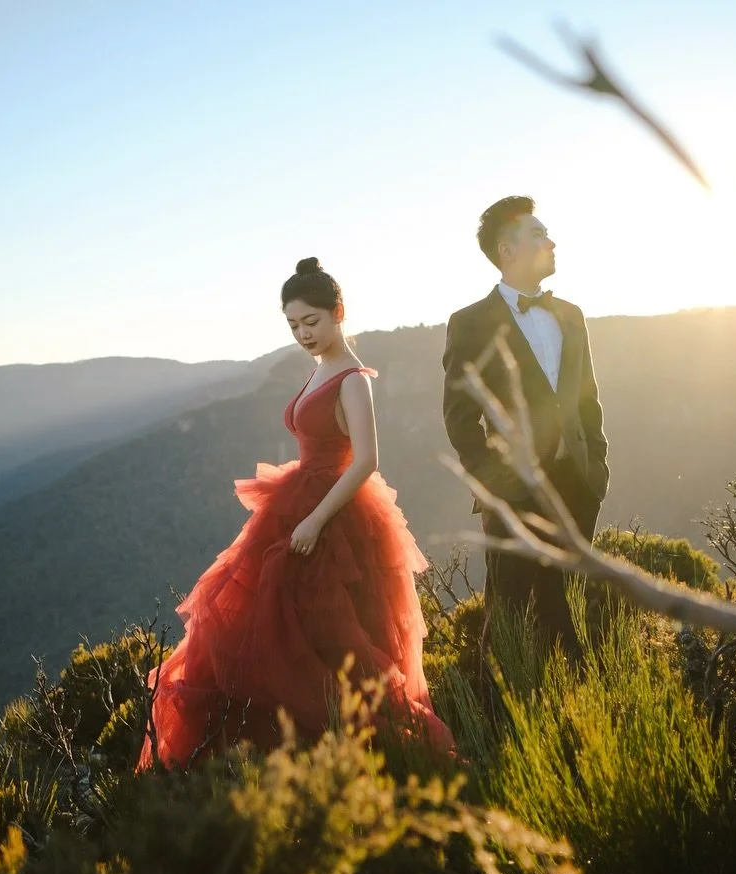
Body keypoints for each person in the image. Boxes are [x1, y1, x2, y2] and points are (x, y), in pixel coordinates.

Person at [139, 257, 453, 770]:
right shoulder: (320, 370)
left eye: (312, 322)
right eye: (293, 326)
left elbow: (367, 459)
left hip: (336, 516)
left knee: (334, 635)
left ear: (338, 313)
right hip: (301, 500)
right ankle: (290, 753)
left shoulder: (353, 379)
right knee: (278, 631)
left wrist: (315, 520)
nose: (303, 334)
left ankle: (371, 750)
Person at [441, 196, 610, 664]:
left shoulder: (571, 315)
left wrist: (597, 468)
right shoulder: (470, 323)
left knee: (566, 611)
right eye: (538, 235)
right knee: (508, 615)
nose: (551, 242)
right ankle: (499, 720)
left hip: (576, 485)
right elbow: (458, 414)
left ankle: (572, 713)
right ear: (507, 251)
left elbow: (587, 398)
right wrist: (494, 481)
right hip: (511, 491)